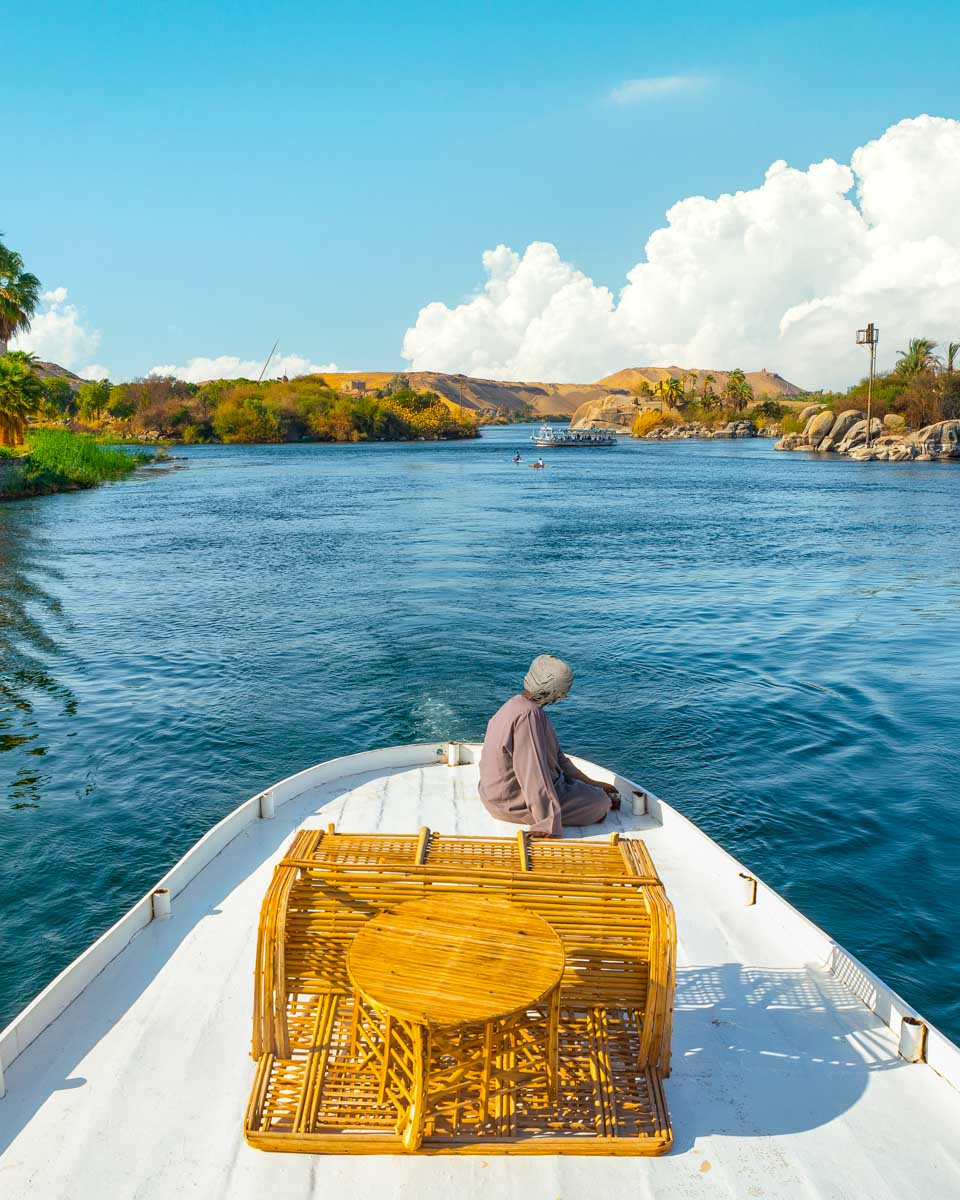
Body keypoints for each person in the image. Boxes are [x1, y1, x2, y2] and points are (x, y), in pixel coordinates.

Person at [478, 654, 619, 838]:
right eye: (563, 690)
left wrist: (591, 782)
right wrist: (546, 824)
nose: (565, 696)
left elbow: (557, 758)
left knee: (595, 793)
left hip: (493, 795)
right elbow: (533, 774)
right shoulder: (529, 717)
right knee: (599, 803)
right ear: (551, 690)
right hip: (511, 802)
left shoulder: (518, 705)